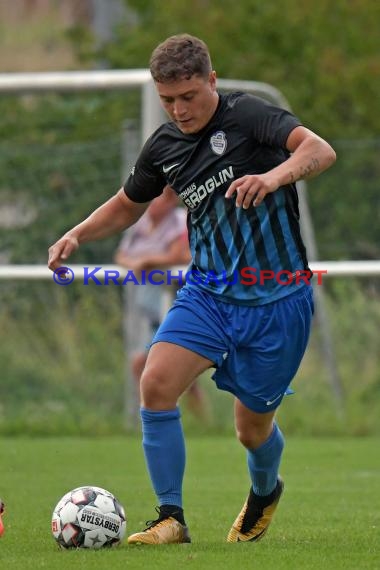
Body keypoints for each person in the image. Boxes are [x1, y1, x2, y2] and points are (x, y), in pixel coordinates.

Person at [48, 33, 336, 545]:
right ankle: (170, 518)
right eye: (167, 100)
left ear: (212, 81)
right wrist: (78, 231)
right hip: (207, 294)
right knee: (156, 384)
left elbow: (320, 150)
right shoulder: (164, 146)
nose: (178, 110)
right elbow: (127, 204)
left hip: (277, 300)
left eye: (188, 97)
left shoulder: (248, 116)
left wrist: (273, 177)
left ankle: (264, 491)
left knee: (251, 430)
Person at [114, 185, 207, 421]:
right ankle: (201, 423)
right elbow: (121, 255)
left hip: (177, 305)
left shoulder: (179, 222)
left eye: (160, 199)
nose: (154, 203)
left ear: (171, 201)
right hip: (154, 310)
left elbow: (183, 255)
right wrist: (136, 263)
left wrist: (147, 261)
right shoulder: (141, 222)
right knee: (182, 376)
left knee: (142, 365)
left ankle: (153, 418)